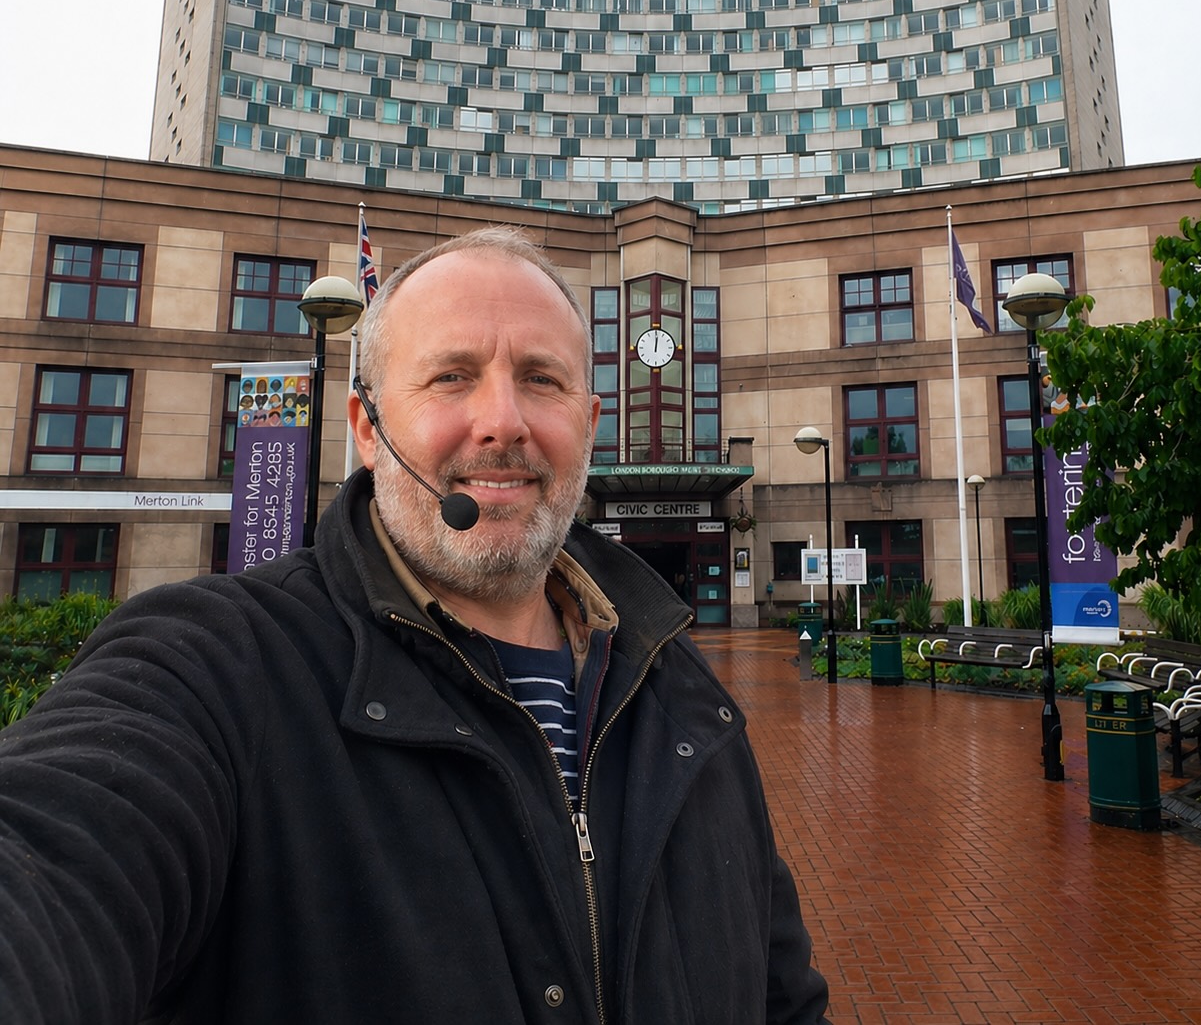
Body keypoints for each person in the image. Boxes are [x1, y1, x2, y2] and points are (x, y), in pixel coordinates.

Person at [0, 227, 830, 1024]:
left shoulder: (684, 691)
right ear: (367, 429)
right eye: (451, 377)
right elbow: (54, 853)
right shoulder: (217, 670)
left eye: (542, 379)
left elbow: (782, 997)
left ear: (588, 420)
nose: (502, 420)